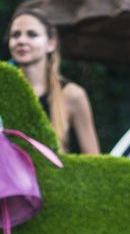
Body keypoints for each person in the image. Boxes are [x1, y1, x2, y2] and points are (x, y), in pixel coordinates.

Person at [7, 9, 99, 154]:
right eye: (15, 35)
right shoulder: (0, 93)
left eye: (32, 34)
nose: (21, 41)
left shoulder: (72, 95)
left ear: (51, 44)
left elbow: (93, 158)